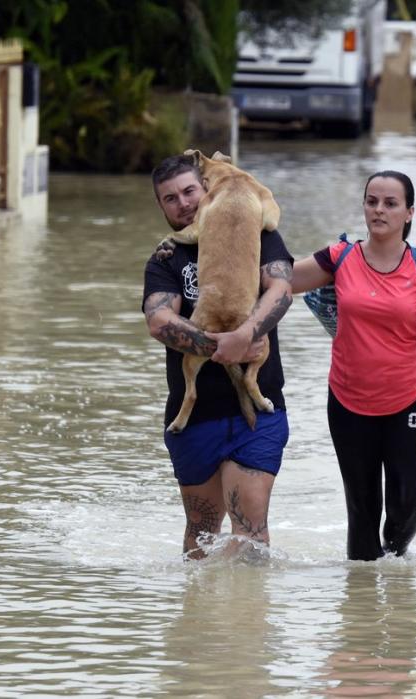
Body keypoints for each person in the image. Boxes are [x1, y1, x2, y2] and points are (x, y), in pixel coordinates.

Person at [291, 170, 416, 561]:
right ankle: (362, 611)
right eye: (372, 201)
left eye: (390, 203)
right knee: (361, 511)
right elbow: (280, 279)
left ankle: (397, 577)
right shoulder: (340, 257)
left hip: (409, 401)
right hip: (348, 402)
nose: (379, 210)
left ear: (409, 212)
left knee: (405, 507)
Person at [142, 153, 295, 559]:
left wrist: (247, 333)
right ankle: (199, 619)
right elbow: (159, 321)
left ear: (207, 187)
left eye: (190, 191)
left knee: (249, 533)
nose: (184, 203)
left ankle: (247, 619)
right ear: (161, 207)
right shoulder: (166, 258)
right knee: (202, 534)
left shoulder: (254, 228)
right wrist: (221, 346)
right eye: (170, 198)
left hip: (258, 414)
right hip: (194, 416)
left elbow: (281, 290)